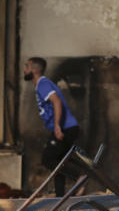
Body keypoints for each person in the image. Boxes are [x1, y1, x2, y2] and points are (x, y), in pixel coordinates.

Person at [24, 57, 80, 196]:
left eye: (27, 66)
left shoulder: (43, 84)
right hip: (68, 127)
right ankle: (59, 199)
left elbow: (57, 102)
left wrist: (57, 127)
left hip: (65, 128)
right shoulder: (41, 85)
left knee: (48, 159)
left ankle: (78, 176)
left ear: (35, 70)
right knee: (58, 163)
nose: (24, 69)